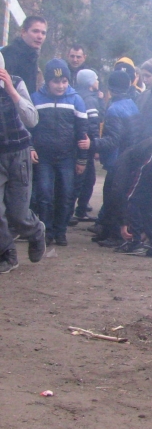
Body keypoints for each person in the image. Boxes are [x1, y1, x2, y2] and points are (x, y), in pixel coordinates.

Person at [30, 59, 88, 246]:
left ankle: (61, 231)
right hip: (43, 156)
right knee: (44, 195)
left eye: (64, 81)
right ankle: (46, 230)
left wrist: (82, 159)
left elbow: (82, 132)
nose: (61, 86)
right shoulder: (35, 99)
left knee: (66, 194)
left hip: (67, 157)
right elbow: (28, 127)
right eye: (56, 82)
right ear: (47, 81)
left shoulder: (76, 100)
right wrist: (30, 147)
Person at [0, 51, 46, 273]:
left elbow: (32, 119)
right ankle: (7, 253)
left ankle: (35, 230)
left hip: (18, 153)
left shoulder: (16, 83)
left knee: (17, 214)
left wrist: (11, 91)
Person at [87, 71, 140, 246]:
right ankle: (108, 231)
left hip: (118, 160)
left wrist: (92, 143)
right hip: (130, 157)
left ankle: (115, 235)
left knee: (112, 197)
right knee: (116, 196)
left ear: (110, 88)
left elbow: (113, 140)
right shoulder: (132, 104)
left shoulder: (114, 109)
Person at [71, 69, 102, 222]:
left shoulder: (75, 94)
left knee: (80, 179)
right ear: (90, 82)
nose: (98, 81)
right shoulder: (89, 99)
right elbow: (93, 124)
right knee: (86, 179)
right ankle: (77, 211)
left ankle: (75, 211)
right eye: (96, 79)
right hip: (86, 144)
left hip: (75, 143)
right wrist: (96, 146)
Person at [2, 16, 47, 93]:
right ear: (23, 32)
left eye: (43, 33)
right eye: (35, 31)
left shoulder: (33, 57)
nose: (40, 36)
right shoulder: (7, 54)